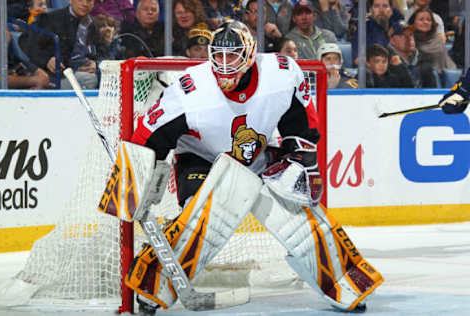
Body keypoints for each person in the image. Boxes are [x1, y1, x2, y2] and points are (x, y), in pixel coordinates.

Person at [113, 19, 382, 315]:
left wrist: (298, 157)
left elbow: (301, 122)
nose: (225, 64)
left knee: (296, 217)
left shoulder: (280, 73)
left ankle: (344, 281)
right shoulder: (189, 90)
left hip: (258, 157)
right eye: (219, 56)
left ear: (251, 53)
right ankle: (153, 285)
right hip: (202, 160)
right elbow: (147, 137)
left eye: (233, 55)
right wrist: (132, 179)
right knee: (207, 217)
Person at [22, 0, 100, 89]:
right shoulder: (50, 19)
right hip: (58, 75)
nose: (85, 4)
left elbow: (102, 52)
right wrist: (47, 60)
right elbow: (25, 41)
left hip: (84, 70)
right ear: (70, 1)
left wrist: (95, 65)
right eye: (80, 0)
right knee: (90, 79)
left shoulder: (93, 25)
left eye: (89, 1)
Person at [0, 17, 50, 89]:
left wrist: (37, 86)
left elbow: (43, 77)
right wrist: (32, 81)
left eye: (3, 40)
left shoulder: (13, 54)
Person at [350, 0, 404, 65]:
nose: (381, 10)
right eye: (376, 6)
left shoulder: (398, 28)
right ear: (370, 10)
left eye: (385, 6)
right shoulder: (363, 29)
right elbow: (357, 60)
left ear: (391, 11)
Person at [386, 19, 436, 88]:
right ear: (392, 40)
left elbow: (432, 90)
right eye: (403, 35)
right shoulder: (385, 61)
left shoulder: (424, 59)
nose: (409, 38)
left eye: (411, 34)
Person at [408, 7, 456, 74]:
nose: (425, 22)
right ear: (413, 22)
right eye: (421, 19)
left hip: (447, 74)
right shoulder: (408, 39)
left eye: (429, 20)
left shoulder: (437, 39)